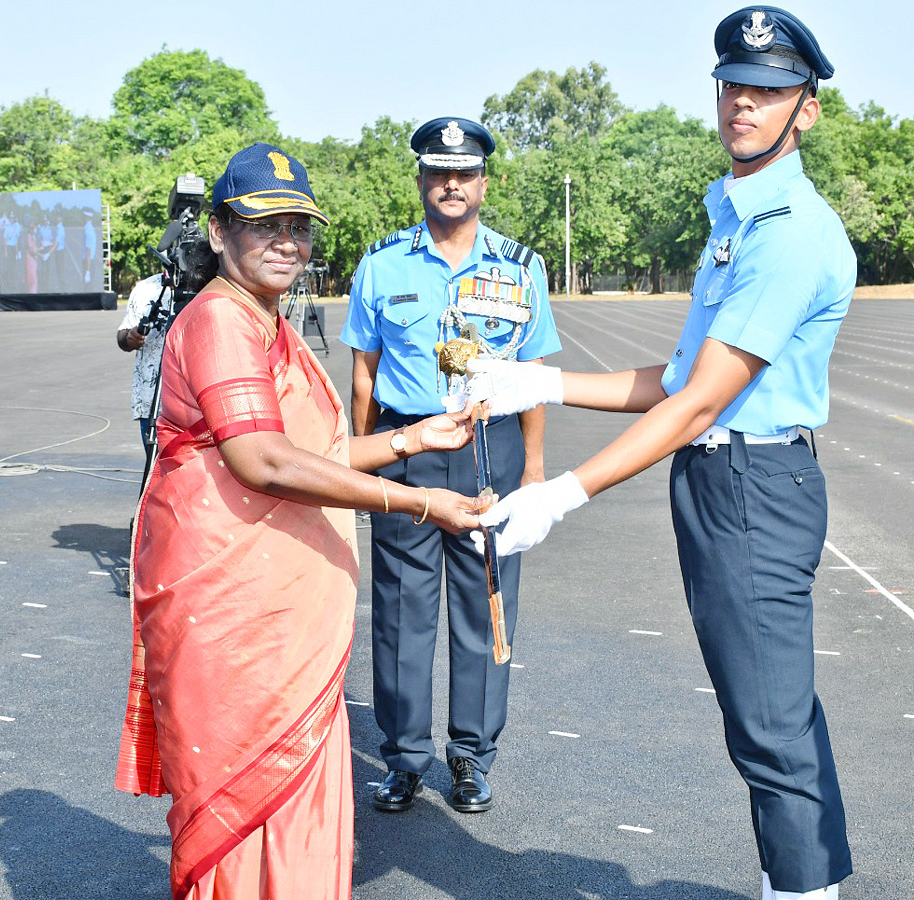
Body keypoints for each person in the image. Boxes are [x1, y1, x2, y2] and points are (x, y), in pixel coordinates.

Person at [469, 8, 852, 899]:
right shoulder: (738, 216)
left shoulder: (788, 231)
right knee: (772, 710)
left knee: (768, 723)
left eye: (770, 90)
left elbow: (701, 403)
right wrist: (542, 382)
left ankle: (801, 890)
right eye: (735, 86)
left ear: (807, 111)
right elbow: (676, 378)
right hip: (727, 480)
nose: (746, 104)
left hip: (753, 480)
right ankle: (801, 881)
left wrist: (564, 489)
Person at [115, 142, 485, 900]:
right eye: (264, 224)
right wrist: (422, 501)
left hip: (277, 618)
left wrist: (416, 438)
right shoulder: (221, 321)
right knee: (247, 805)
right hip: (235, 616)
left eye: (299, 226)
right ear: (219, 231)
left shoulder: (269, 323)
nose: (287, 241)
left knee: (291, 805)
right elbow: (265, 461)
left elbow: (322, 451)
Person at [339, 117, 561, 814]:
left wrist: (533, 474)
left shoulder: (521, 268)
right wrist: (362, 467)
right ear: (422, 182)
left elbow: (533, 373)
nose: (451, 183)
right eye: (439, 172)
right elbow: (363, 376)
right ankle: (404, 757)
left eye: (464, 174)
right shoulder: (381, 264)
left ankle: (470, 755)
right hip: (404, 451)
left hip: (486, 453)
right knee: (402, 612)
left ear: (484, 184)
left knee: (483, 605)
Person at [115, 272, 170, 450]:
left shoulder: (209, 285)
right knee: (155, 473)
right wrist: (130, 338)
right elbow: (122, 336)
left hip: (195, 408)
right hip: (152, 405)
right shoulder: (146, 288)